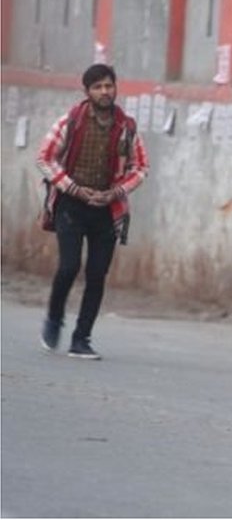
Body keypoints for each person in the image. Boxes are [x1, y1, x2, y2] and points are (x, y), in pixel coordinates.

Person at [36, 63, 149, 360]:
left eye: (108, 86)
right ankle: (54, 316)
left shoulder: (127, 127)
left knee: (97, 274)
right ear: (86, 92)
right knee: (69, 267)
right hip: (70, 206)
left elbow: (141, 168)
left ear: (115, 88)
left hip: (107, 210)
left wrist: (116, 192)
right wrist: (72, 187)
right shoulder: (70, 121)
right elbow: (45, 158)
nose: (104, 92)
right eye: (97, 87)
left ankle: (81, 338)